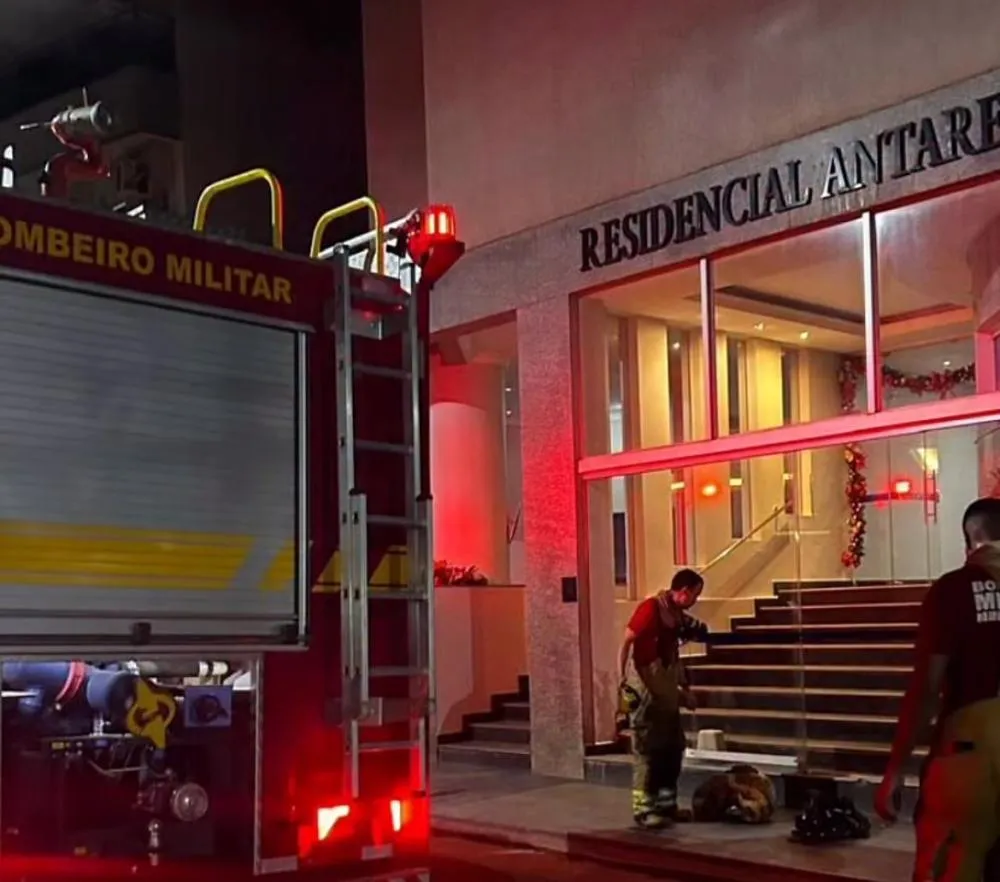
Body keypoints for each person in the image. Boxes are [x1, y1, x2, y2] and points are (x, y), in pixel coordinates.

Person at [875, 496, 1000, 882]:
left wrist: (896, 768)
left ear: (969, 541)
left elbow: (926, 688)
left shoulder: (953, 590)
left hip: (971, 757)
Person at [618, 568, 705, 829]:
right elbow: (627, 641)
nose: (695, 601)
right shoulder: (651, 609)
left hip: (665, 691)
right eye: (695, 595)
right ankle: (644, 809)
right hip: (646, 690)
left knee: (673, 748)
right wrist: (622, 681)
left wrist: (684, 689)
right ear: (683, 592)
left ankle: (666, 804)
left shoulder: (675, 615)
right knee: (647, 752)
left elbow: (673, 657)